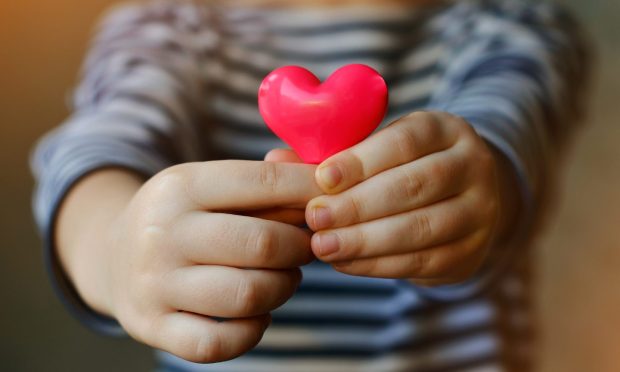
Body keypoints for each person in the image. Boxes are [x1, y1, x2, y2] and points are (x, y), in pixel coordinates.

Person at [31, 0, 590, 370]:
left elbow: (512, 130)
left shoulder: (515, 24)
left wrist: (479, 194)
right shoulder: (167, 28)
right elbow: (95, 149)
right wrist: (113, 245)